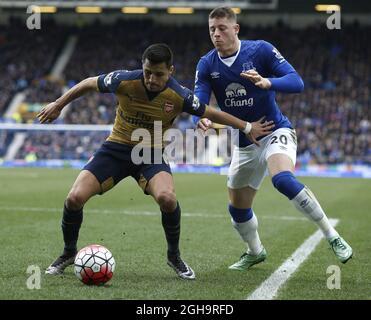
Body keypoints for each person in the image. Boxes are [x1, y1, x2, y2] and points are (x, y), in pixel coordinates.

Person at [37, 43, 274, 280]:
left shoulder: (178, 95)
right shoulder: (123, 80)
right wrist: (58, 104)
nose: (151, 79)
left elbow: (210, 113)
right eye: (148, 72)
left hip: (150, 154)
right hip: (115, 149)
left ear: (170, 71)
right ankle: (69, 252)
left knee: (167, 199)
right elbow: (89, 82)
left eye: (159, 74)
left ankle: (174, 256)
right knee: (74, 198)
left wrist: (246, 126)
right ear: (143, 66)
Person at [193, 7, 353, 271]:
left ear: (236, 28)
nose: (216, 34)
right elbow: (199, 99)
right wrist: (201, 117)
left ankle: (332, 236)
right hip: (245, 141)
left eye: (222, 28)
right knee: (237, 209)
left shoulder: (260, 51)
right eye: (212, 29)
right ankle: (255, 252)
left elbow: (297, 82)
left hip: (275, 131)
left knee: (282, 180)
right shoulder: (207, 63)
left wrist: (268, 82)